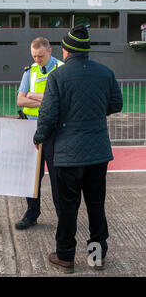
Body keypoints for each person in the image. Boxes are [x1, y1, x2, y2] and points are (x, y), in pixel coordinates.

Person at [33, 24, 123, 273]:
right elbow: (116, 104)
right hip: (97, 152)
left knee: (68, 207)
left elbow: (48, 115)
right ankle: (96, 257)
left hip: (68, 154)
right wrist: (93, 112)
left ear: (65, 51)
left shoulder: (57, 77)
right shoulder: (105, 72)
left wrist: (39, 136)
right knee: (96, 205)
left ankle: (65, 257)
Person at [15, 37, 64, 230]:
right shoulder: (30, 71)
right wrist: (46, 101)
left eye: (41, 56)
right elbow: (20, 100)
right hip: (31, 128)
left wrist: (33, 96)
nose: (37, 59)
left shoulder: (60, 69)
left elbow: (62, 99)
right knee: (32, 175)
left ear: (50, 51)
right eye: (34, 56)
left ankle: (63, 216)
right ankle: (31, 213)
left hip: (53, 131)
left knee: (57, 176)